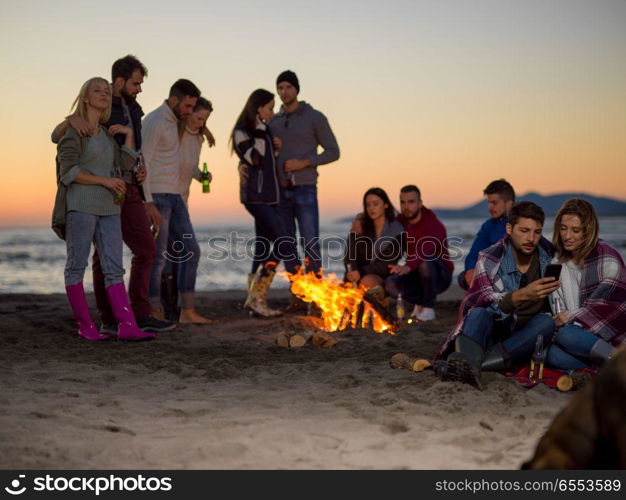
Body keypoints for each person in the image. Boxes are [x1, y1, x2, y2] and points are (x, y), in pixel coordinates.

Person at [51, 55, 174, 334]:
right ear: (85, 96)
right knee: (80, 265)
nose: (105, 94)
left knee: (112, 264)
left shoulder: (117, 125)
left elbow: (125, 162)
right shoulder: (76, 128)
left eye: (106, 92)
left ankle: (126, 324)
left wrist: (131, 143)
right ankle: (93, 324)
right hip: (85, 202)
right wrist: (71, 119)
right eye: (99, 90)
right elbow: (67, 168)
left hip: (112, 202)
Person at [436, 201, 559, 389]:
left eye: (537, 232)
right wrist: (522, 295)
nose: (531, 239)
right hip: (496, 330)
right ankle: (476, 365)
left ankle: (473, 365)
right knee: (478, 313)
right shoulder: (490, 257)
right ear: (509, 228)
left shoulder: (549, 256)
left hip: (525, 337)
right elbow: (487, 302)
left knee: (547, 322)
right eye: (524, 230)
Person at [142, 79, 210, 324]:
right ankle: (153, 309)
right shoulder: (155, 122)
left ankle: (186, 311)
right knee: (159, 256)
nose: (190, 112)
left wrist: (204, 129)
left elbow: (190, 144)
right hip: (158, 196)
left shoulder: (175, 123)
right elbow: (144, 162)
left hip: (176, 197)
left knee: (191, 251)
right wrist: (147, 201)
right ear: (174, 100)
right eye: (188, 106)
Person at [232, 89, 301, 317]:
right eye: (270, 107)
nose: (272, 112)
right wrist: (263, 133)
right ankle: (256, 298)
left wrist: (275, 146)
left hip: (270, 197)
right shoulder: (242, 131)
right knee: (284, 242)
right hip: (256, 198)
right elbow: (254, 159)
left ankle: (253, 300)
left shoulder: (265, 130)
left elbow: (267, 160)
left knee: (262, 249)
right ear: (258, 107)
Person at [546, 199, 626, 370]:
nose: (567, 236)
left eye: (576, 230)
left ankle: (619, 363)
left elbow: (614, 310)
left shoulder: (608, 260)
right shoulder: (556, 264)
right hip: (578, 336)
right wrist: (561, 323)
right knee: (552, 353)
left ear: (588, 231)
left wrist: (571, 318)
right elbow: (558, 312)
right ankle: (607, 366)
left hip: (613, 337)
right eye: (563, 228)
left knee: (566, 335)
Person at [383, 185, 454, 321]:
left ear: (420, 203)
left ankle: (428, 307)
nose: (406, 206)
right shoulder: (400, 222)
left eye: (411, 202)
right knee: (390, 284)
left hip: (439, 275)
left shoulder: (434, 224)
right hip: (415, 272)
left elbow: (424, 250)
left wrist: (408, 266)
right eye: (403, 202)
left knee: (425, 261)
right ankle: (421, 302)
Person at [458, 179, 515, 290]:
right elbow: (474, 254)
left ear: (509, 204)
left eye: (494, 203)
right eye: (488, 202)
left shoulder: (519, 224)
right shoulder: (489, 225)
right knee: (463, 277)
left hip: (510, 274)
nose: (490, 207)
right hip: (489, 273)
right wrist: (470, 270)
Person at [345, 187, 403, 294]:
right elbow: (349, 256)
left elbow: (388, 264)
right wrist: (352, 273)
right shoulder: (360, 226)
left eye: (375, 204)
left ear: (386, 205)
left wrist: (361, 272)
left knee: (367, 281)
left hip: (380, 277)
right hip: (355, 277)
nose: (371, 208)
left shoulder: (398, 231)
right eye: (368, 205)